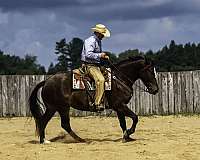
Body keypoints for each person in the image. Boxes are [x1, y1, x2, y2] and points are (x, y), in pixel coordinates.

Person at [81, 24, 110, 111]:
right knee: (101, 80)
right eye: (102, 34)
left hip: (96, 65)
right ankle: (97, 103)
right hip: (89, 65)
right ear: (98, 33)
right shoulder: (90, 41)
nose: (103, 36)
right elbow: (88, 54)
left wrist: (103, 57)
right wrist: (100, 55)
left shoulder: (98, 41)